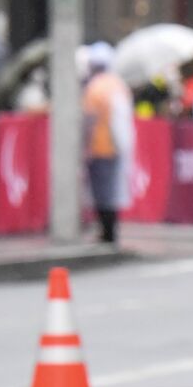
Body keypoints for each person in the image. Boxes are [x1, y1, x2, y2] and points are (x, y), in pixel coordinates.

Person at [82, 43, 135, 244]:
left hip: (100, 147)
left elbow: (89, 119)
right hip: (116, 146)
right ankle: (109, 231)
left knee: (103, 193)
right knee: (111, 192)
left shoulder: (94, 88)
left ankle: (107, 232)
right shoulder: (118, 85)